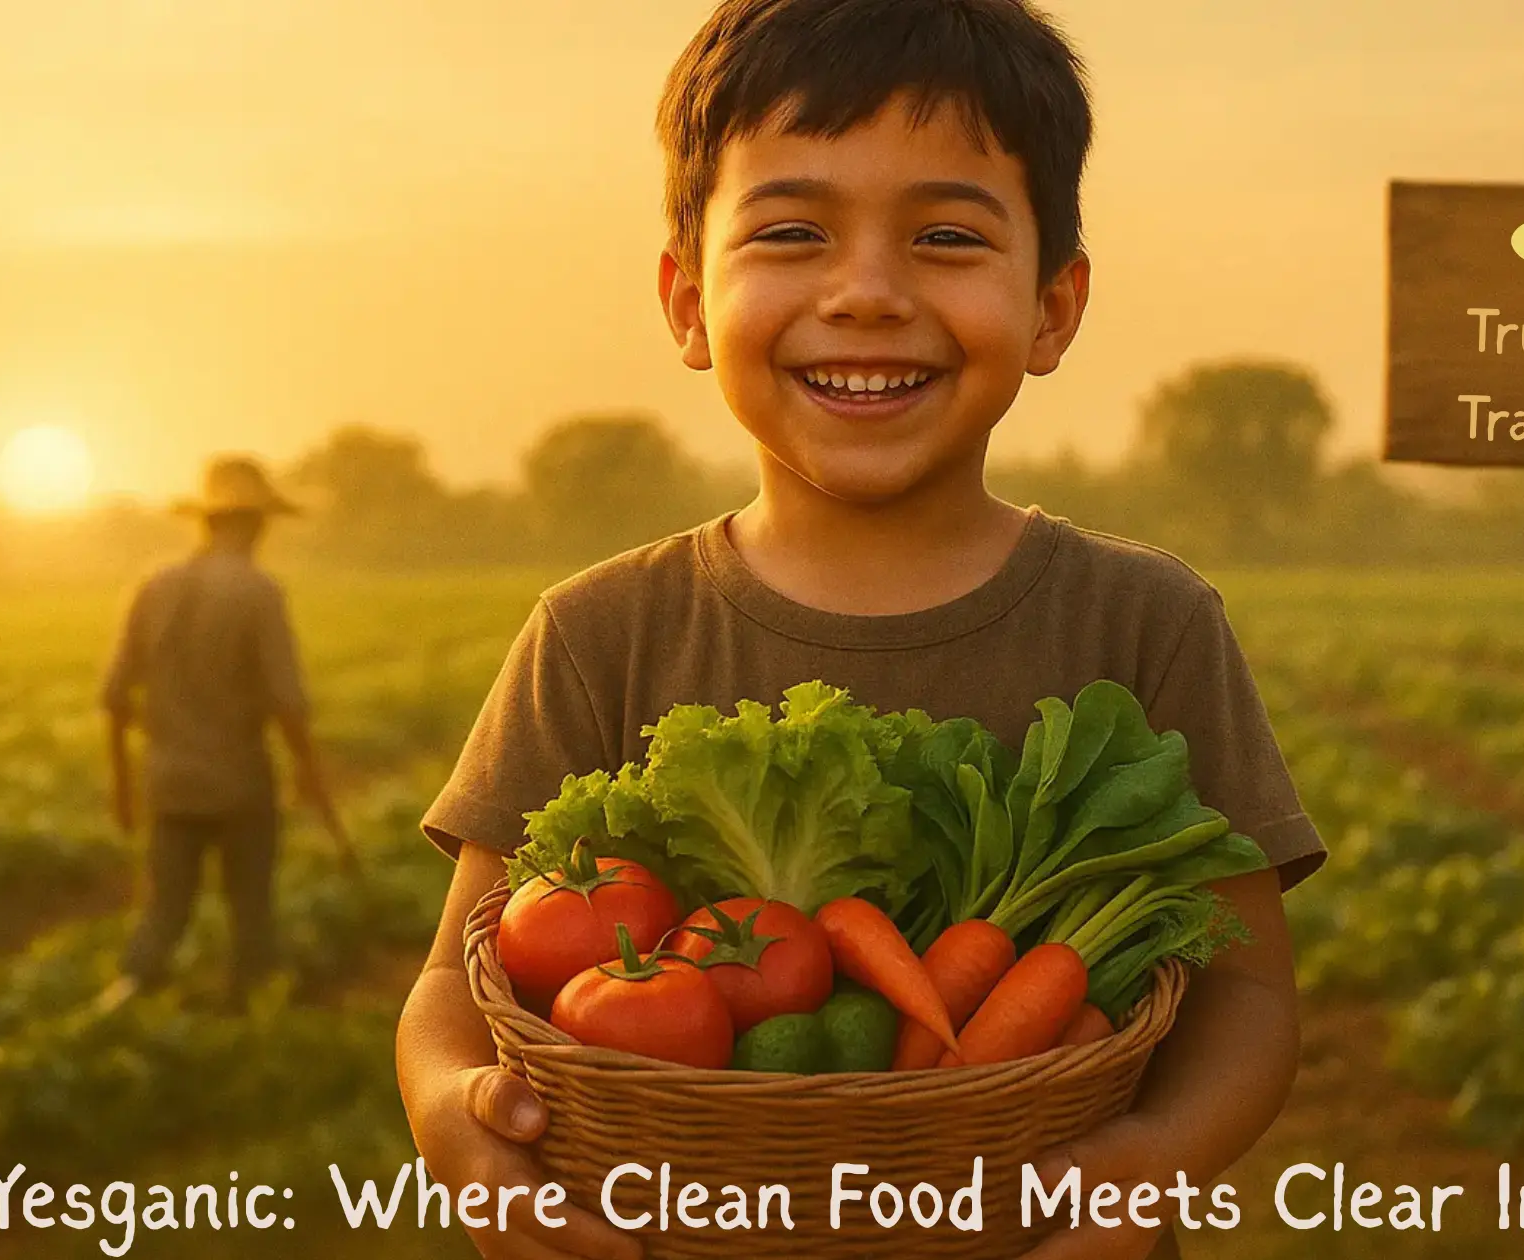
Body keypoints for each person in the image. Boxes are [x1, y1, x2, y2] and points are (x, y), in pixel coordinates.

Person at [396, 2, 1326, 1257]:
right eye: (790, 232)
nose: (867, 294)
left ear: (1052, 305)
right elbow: (458, 981)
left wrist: (1151, 1163)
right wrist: (460, 1122)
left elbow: (1248, 997)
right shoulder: (596, 632)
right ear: (685, 302)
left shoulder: (1145, 620)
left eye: (946, 236)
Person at [99, 454, 355, 1009]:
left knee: (164, 911)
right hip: (241, 785)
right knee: (251, 912)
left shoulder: (153, 585)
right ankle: (247, 1016)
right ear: (257, 524)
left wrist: (122, 786)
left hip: (168, 783)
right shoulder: (258, 592)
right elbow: (288, 703)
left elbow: (115, 697)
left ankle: (125, 998)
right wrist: (310, 777)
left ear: (206, 521)